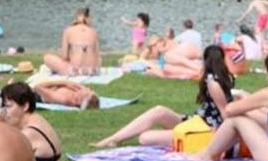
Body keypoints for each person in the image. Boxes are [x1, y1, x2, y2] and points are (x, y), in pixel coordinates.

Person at [93, 45, 234, 148]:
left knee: (144, 138)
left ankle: (173, 137)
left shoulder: (213, 83)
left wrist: (218, 140)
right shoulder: (217, 78)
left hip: (201, 131)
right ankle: (114, 139)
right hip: (195, 121)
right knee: (159, 111)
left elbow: (225, 115)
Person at [1, 82, 65, 161]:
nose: (4, 112)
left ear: (25, 106)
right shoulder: (37, 120)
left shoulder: (30, 133)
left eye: (8, 106)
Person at [43, 8, 100, 75]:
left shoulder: (68, 31)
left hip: (75, 71)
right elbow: (97, 56)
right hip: (93, 71)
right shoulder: (93, 32)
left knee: (47, 58)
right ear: (88, 18)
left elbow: (64, 57)